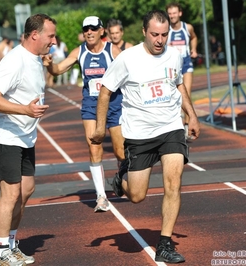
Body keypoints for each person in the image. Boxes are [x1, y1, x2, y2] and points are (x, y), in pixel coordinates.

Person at [91, 10, 200, 263]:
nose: (160, 40)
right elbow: (106, 91)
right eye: (154, 34)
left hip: (170, 127)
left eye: (164, 35)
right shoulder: (127, 59)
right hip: (139, 134)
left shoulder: (174, 54)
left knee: (173, 182)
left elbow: (178, 84)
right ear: (143, 32)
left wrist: (191, 115)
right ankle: (121, 179)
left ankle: (164, 244)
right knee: (138, 196)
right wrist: (99, 128)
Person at [0, 13, 55, 265]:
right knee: (11, 194)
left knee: (26, 190)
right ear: (35, 35)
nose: (54, 41)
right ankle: (0, 251)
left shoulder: (35, 58)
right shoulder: (15, 60)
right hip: (4, 136)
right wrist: (25, 110)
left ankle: (10, 244)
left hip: (24, 137)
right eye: (51, 36)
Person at [44, 16, 124, 212]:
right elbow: (58, 70)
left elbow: (131, 70)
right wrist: (49, 65)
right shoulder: (79, 51)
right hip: (91, 105)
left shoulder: (112, 51)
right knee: (94, 146)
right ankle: (101, 196)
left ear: (101, 31)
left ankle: (121, 177)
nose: (89, 32)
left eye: (93, 28)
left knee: (120, 151)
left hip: (114, 103)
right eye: (86, 28)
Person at [166, 2, 198, 139]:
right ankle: (176, 125)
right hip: (172, 66)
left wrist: (194, 49)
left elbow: (194, 37)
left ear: (180, 13)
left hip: (185, 63)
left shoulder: (187, 27)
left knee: (186, 93)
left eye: (174, 13)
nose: (172, 16)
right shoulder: (166, 29)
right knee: (175, 95)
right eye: (170, 13)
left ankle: (186, 125)